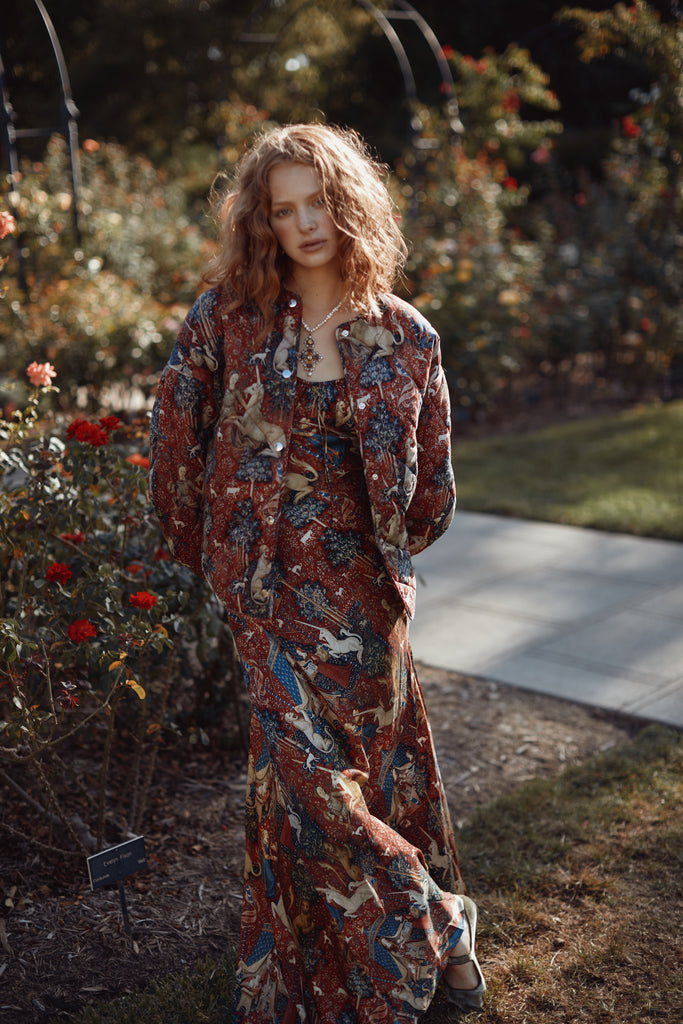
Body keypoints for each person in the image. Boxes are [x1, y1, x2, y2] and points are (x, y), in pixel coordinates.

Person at [149, 122, 485, 1023]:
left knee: (335, 785)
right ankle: (436, 917)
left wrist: (382, 561)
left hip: (364, 605)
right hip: (261, 593)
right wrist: (206, 550)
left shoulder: (407, 337)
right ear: (259, 219)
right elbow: (174, 440)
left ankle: (341, 970)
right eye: (282, 208)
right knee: (307, 779)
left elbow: (432, 489)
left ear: (351, 207)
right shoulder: (226, 317)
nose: (302, 224)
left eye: (318, 204)